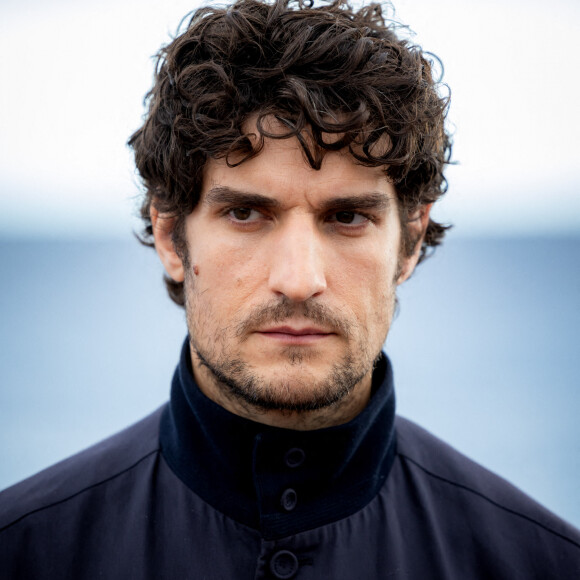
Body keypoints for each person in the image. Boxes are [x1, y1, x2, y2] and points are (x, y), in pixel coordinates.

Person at [1, 0, 579, 577]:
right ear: (173, 238)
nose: (300, 280)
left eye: (347, 217)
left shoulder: (540, 562)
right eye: (248, 214)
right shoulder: (26, 551)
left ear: (407, 243)